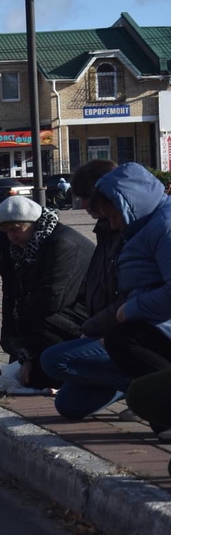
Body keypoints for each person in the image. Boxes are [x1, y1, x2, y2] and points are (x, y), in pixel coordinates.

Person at [39, 160, 128, 420]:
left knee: (54, 360)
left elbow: (131, 297)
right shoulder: (104, 232)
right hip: (106, 328)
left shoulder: (129, 234)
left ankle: (146, 387)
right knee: (69, 406)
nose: (85, 206)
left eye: (89, 198)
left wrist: (94, 330)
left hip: (130, 334)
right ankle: (129, 385)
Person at [94, 162, 170, 424]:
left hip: (163, 320)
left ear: (131, 205)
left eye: (115, 216)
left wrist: (132, 309)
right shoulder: (145, 225)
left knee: (122, 340)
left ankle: (165, 410)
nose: (114, 225)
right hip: (155, 317)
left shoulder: (166, 226)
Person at [0, 196, 92, 389]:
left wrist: (28, 354)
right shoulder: (26, 247)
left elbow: (50, 301)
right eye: (6, 232)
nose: (11, 237)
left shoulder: (62, 243)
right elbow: (18, 296)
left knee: (35, 319)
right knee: (33, 376)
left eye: (15, 229)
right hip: (60, 314)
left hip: (85, 316)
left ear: (33, 223)